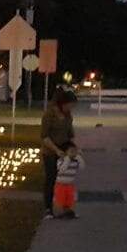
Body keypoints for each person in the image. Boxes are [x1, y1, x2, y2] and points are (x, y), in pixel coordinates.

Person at [39, 88, 76, 218]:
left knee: (65, 180)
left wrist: (73, 149)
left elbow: (70, 134)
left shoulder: (68, 116)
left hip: (64, 149)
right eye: (69, 105)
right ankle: (48, 208)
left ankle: (66, 207)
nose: (71, 108)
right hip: (50, 151)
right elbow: (44, 137)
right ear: (63, 103)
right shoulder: (49, 115)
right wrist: (56, 150)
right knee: (51, 179)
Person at [53, 144, 83, 219]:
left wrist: (79, 158)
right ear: (66, 152)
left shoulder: (75, 161)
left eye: (75, 151)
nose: (73, 153)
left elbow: (82, 167)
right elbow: (62, 170)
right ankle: (60, 213)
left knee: (70, 199)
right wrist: (67, 159)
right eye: (71, 151)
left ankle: (69, 212)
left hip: (70, 184)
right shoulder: (60, 161)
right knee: (60, 199)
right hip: (61, 184)